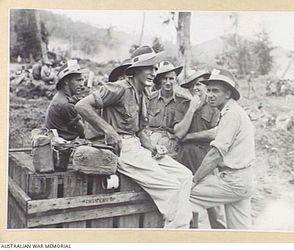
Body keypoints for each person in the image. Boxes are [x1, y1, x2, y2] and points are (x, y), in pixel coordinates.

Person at [75, 46, 193, 228]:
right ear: (135, 71)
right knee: (170, 187)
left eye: (155, 68)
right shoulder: (120, 88)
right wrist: (108, 130)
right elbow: (82, 106)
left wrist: (152, 147)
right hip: (122, 149)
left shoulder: (142, 94)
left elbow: (139, 131)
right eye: (149, 68)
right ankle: (175, 234)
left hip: (137, 146)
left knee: (185, 175)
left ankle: (179, 230)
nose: (153, 73)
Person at [190, 68, 256, 229]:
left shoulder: (232, 114)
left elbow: (216, 153)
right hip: (244, 180)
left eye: (216, 91)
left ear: (228, 94)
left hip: (234, 181)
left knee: (184, 194)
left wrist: (195, 180)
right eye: (209, 90)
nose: (210, 95)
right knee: (240, 233)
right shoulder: (233, 111)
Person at [174, 69, 220, 174]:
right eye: (191, 85)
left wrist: (189, 136)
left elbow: (216, 133)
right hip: (184, 156)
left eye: (198, 84)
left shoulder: (214, 106)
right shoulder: (183, 106)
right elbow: (178, 133)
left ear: (206, 86)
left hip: (205, 155)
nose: (194, 88)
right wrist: (191, 109)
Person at [146, 61, 185, 157]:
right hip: (150, 141)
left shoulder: (183, 102)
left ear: (176, 80)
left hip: (171, 144)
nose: (168, 82)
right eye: (164, 78)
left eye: (171, 79)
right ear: (159, 80)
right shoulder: (149, 98)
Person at [45, 60, 85, 141]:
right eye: (78, 80)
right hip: (65, 145)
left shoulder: (61, 96)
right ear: (66, 81)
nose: (81, 84)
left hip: (60, 139)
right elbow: (84, 132)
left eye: (82, 80)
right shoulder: (66, 104)